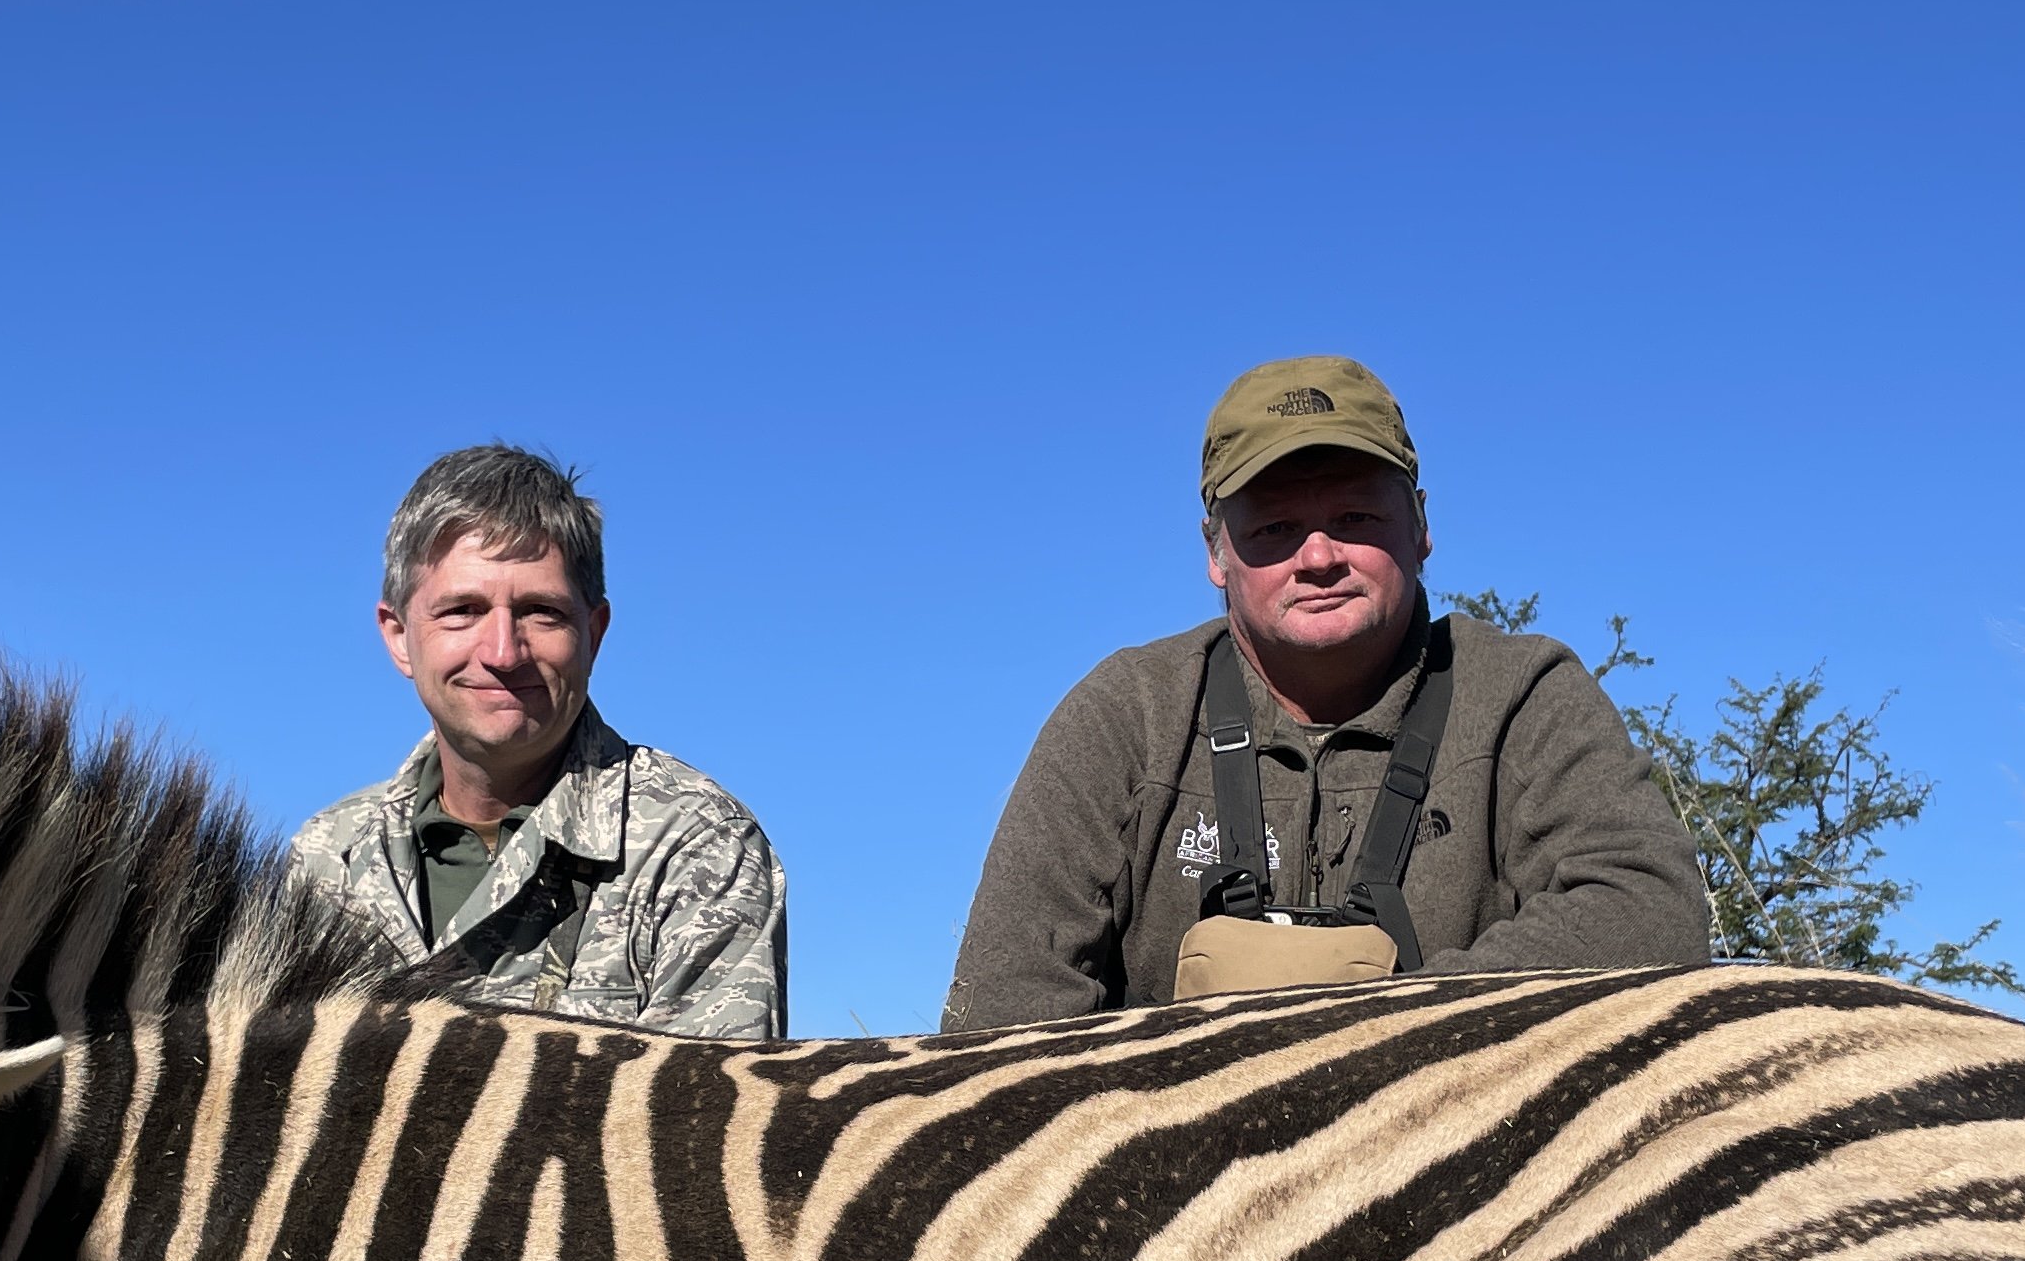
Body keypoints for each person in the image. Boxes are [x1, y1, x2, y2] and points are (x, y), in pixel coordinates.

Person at [941, 357, 1706, 1027]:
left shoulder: (1524, 693)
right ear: (1216, 552)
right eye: (1273, 529)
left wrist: (1363, 1039)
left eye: (1354, 517)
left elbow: (1650, 910)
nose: (1317, 557)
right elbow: (1002, 1003)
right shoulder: (1126, 712)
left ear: (1420, 526)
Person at [292, 443, 788, 1040]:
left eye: (540, 612)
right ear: (399, 636)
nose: (503, 652)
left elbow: (707, 1124)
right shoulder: (324, 860)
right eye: (461, 610)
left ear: (593, 633)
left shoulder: (697, 844)